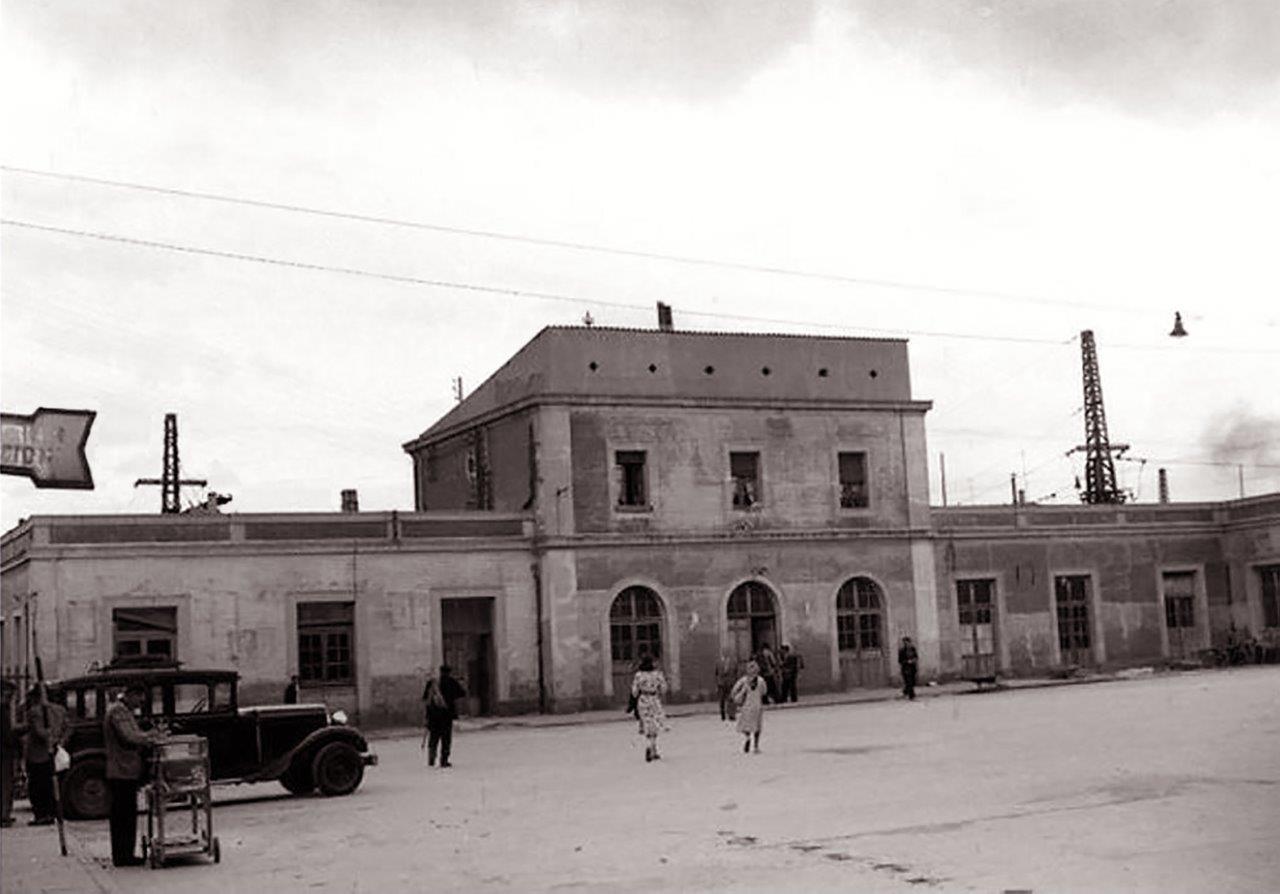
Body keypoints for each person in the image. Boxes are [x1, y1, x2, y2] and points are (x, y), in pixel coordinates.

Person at [104, 684, 163, 867]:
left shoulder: (123, 710)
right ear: (130, 695)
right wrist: (151, 736)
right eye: (139, 698)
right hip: (121, 770)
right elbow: (130, 737)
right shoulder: (118, 712)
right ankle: (123, 856)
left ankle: (125, 854)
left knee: (127, 814)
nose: (141, 702)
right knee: (124, 816)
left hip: (125, 770)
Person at [22, 685, 67, 826]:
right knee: (51, 784)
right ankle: (51, 812)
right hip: (53, 752)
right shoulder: (60, 710)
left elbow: (38, 731)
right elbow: (68, 727)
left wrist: (50, 739)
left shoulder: (34, 712)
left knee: (37, 786)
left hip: (38, 754)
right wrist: (60, 741)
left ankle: (41, 814)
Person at [422, 665, 466, 768]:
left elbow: (425, 698)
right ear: (449, 672)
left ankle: (431, 759)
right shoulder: (451, 682)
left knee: (433, 738)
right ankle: (444, 760)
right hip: (446, 715)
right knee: (446, 739)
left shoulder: (432, 683)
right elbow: (462, 693)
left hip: (433, 715)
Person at [630, 654, 668, 762]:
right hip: (654, 699)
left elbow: (634, 692)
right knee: (655, 723)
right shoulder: (658, 675)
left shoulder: (638, 675)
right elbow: (664, 689)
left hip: (643, 700)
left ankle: (650, 746)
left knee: (646, 723)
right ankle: (653, 747)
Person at [731, 660, 766, 754]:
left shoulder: (743, 680)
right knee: (757, 727)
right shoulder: (761, 680)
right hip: (757, 705)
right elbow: (764, 691)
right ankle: (756, 746)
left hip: (747, 705)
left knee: (745, 725)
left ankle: (747, 737)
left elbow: (734, 690)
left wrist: (736, 696)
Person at [1, 679, 20, 828]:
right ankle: (4, 815)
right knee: (6, 784)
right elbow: (7, 734)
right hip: (4, 752)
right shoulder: (3, 710)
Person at [714, 653, 738, 722]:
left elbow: (736, 672)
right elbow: (716, 674)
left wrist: (736, 683)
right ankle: (723, 714)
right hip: (721, 684)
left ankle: (731, 715)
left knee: (731, 699)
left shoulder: (733, 662)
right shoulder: (718, 662)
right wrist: (717, 684)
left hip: (731, 683)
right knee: (722, 699)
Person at [898, 636, 919, 701]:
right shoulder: (902, 651)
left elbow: (916, 656)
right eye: (905, 643)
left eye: (908, 642)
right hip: (906, 668)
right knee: (909, 682)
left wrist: (914, 660)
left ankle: (905, 692)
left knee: (912, 682)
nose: (907, 644)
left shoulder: (913, 649)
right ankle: (912, 696)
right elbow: (900, 661)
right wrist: (907, 661)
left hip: (913, 667)